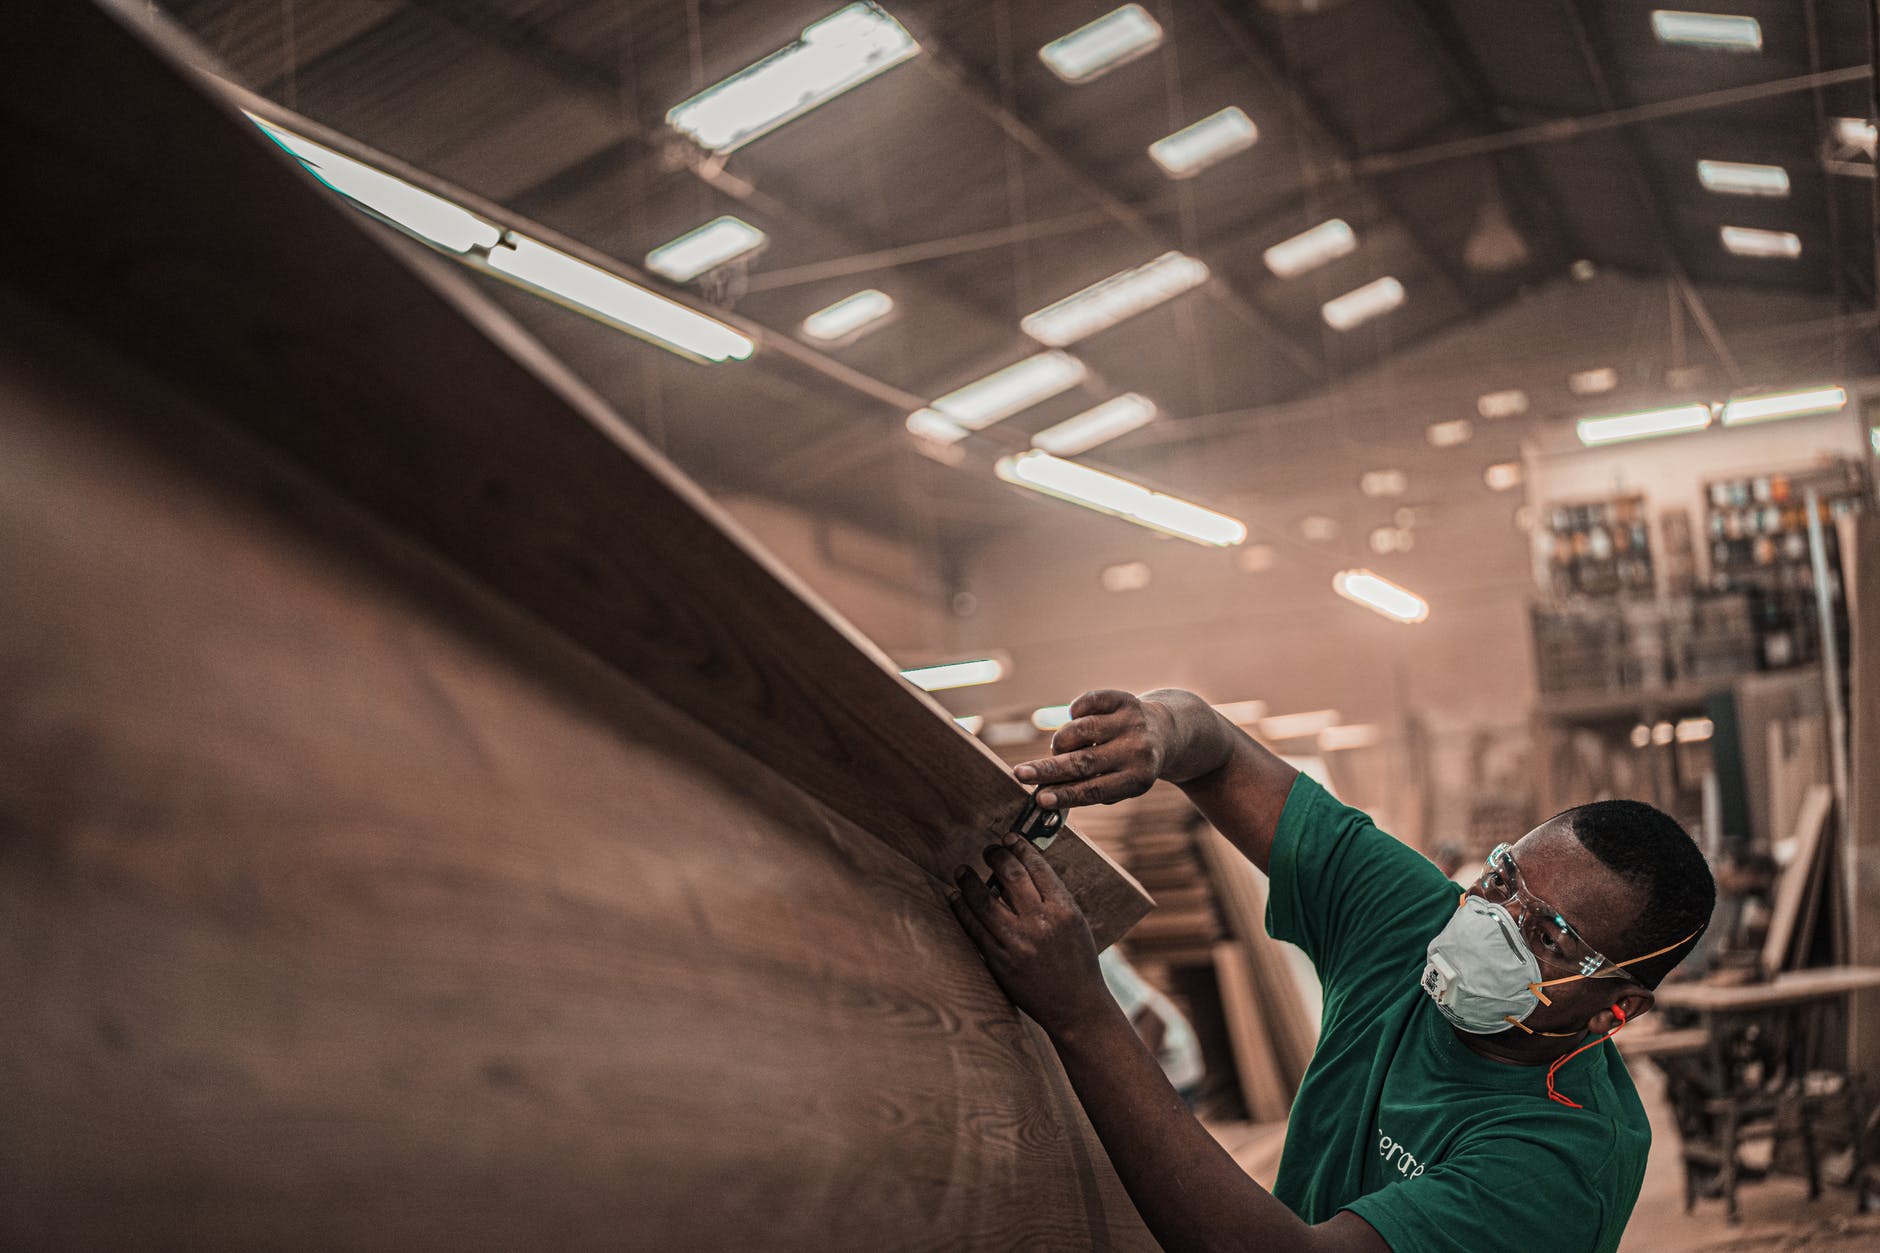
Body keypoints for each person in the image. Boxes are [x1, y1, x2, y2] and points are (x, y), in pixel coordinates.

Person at [947, 689, 1715, 1253]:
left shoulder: (1562, 1156)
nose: (1495, 920)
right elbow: (1214, 746)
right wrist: (1157, 731)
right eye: (1503, 877)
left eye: (1549, 934)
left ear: (1617, 1007)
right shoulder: (1411, 918)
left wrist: (1082, 1011)